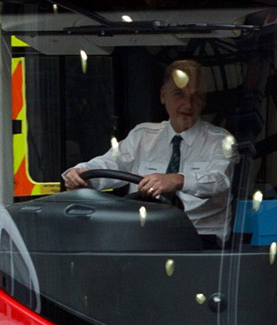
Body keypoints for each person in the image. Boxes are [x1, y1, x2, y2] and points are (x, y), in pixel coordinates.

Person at [63, 59, 234, 246]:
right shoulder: (142, 136)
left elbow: (219, 181)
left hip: (200, 242)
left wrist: (176, 180)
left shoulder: (220, 140)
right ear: (163, 96)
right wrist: (79, 173)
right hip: (142, 236)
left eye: (197, 96)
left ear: (204, 102)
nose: (188, 105)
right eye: (179, 94)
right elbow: (110, 164)